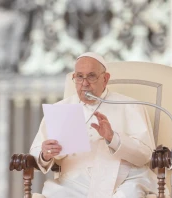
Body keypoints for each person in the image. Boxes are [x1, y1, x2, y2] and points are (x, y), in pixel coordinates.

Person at [30, 52, 161, 198]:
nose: (84, 83)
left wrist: (113, 138)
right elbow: (36, 153)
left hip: (123, 180)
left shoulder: (130, 106)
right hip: (73, 183)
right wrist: (46, 154)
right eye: (79, 76)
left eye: (91, 76)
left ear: (105, 79)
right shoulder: (60, 108)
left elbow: (144, 155)